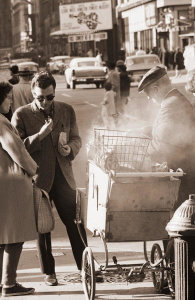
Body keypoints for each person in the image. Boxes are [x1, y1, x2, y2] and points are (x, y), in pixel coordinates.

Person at [11, 71, 87, 286]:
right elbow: (17, 148)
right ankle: (49, 273)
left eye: (49, 97)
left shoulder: (66, 110)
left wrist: (69, 148)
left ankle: (85, 267)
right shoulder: (21, 114)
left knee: (75, 222)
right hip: (39, 179)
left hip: (64, 176)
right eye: (40, 97)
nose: (45, 102)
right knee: (43, 228)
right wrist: (40, 136)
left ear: (55, 92)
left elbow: (76, 139)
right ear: (33, 94)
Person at [138, 66, 195, 210]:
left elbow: (163, 145)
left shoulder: (171, 106)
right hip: (185, 171)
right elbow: (165, 131)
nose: (149, 99)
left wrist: (141, 150)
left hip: (183, 176)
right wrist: (144, 131)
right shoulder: (174, 100)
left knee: (180, 221)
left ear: (156, 89)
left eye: (148, 95)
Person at [0, 82, 37, 297]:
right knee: (15, 236)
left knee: (3, 236)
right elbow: (16, 150)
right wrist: (33, 169)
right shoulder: (1, 122)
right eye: (7, 97)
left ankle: (5, 282)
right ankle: (9, 284)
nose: (10, 101)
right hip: (10, 183)